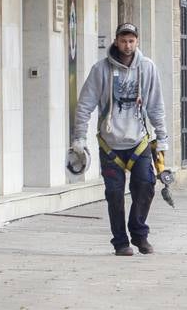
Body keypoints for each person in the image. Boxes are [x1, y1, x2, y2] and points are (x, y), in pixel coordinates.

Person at [71, 22, 169, 256]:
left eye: (131, 41)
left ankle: (139, 233)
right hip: (110, 144)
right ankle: (120, 242)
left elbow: (156, 104)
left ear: (137, 42)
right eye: (123, 40)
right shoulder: (100, 70)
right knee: (114, 194)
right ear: (116, 41)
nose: (127, 45)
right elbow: (85, 105)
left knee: (146, 186)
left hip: (139, 142)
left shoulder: (147, 68)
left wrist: (162, 136)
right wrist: (79, 139)